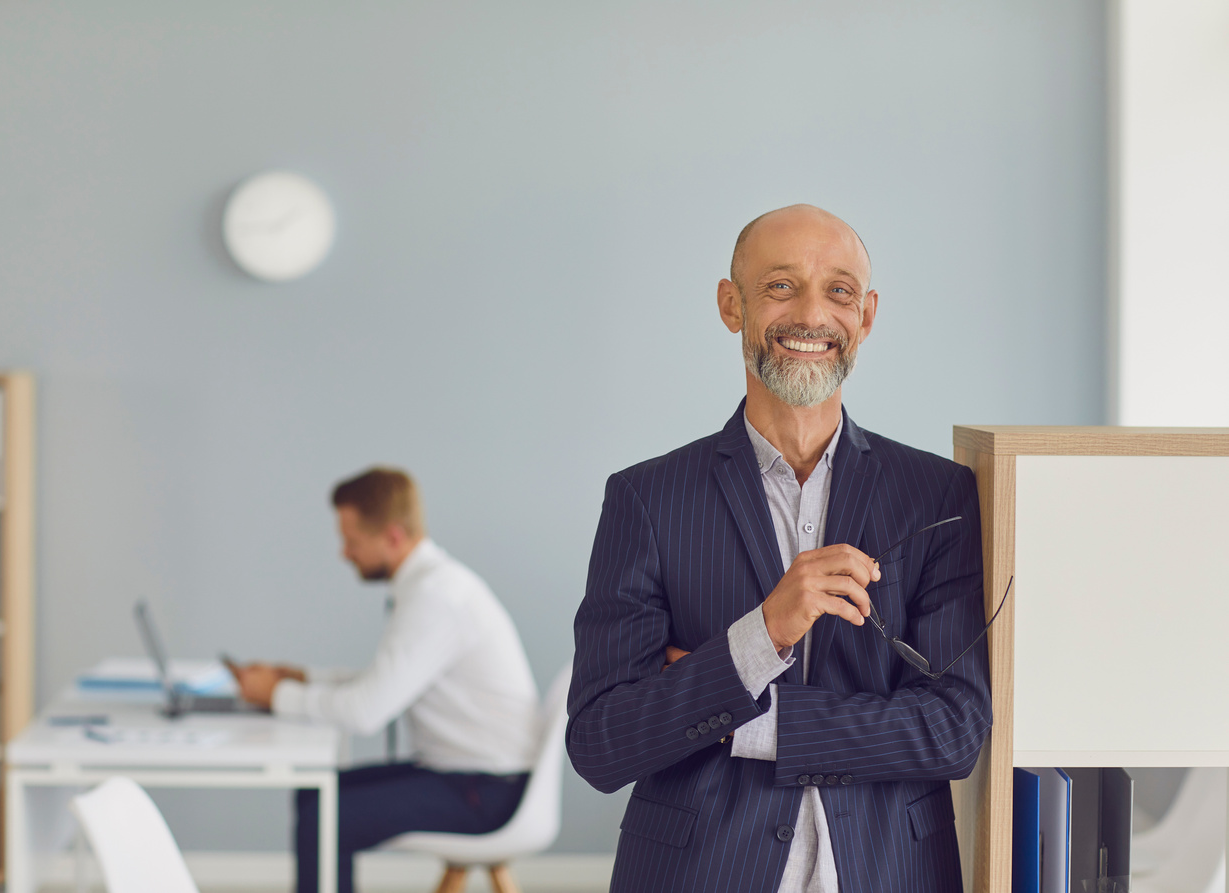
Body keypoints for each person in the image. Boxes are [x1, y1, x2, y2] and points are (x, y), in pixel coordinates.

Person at [567, 205, 991, 892]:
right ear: (730, 304)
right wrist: (760, 635)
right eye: (779, 286)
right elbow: (600, 742)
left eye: (838, 291)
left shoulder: (937, 495)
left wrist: (739, 712)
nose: (811, 315)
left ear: (867, 316)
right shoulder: (646, 498)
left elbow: (952, 731)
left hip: (889, 870)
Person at [231, 467, 538, 893]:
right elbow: (387, 681)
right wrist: (304, 679)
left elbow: (366, 711)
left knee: (324, 813)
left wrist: (277, 694)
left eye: (352, 541)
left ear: (392, 536)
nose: (344, 553)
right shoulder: (432, 586)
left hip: (487, 791)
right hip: (470, 776)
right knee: (312, 798)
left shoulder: (436, 597)